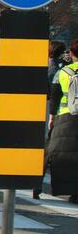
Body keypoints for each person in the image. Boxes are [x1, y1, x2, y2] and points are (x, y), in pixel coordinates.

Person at [46, 39, 78, 204]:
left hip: (66, 118)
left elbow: (55, 97)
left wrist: (52, 117)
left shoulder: (63, 72)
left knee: (64, 156)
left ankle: (69, 190)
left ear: (71, 54)